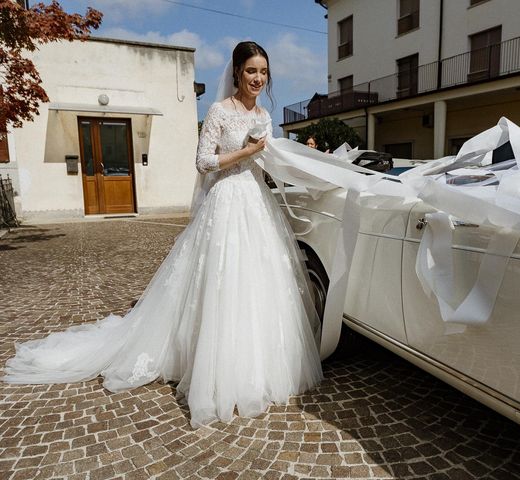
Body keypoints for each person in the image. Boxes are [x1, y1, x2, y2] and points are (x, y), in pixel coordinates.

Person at [3, 41, 323, 427]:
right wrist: (245, 153)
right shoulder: (220, 111)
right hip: (224, 201)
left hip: (256, 201)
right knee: (219, 283)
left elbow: (268, 158)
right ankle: (211, 365)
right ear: (237, 71)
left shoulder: (266, 114)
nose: (258, 78)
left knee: (258, 280)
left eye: (264, 72)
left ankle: (262, 363)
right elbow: (203, 162)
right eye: (252, 70)